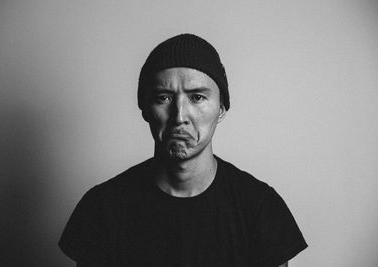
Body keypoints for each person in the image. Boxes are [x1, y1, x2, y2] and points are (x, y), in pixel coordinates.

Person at [59, 33, 307, 267]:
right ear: (145, 108)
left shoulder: (260, 209)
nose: (179, 116)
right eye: (163, 97)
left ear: (221, 108)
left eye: (197, 97)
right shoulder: (102, 209)